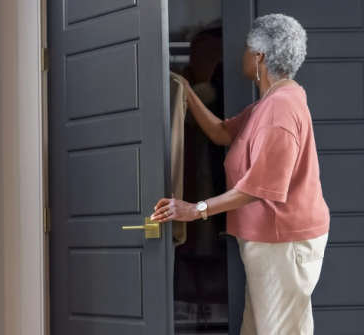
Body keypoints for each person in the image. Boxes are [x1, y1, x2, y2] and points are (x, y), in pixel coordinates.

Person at [151, 14, 330, 335]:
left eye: (247, 48)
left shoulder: (280, 108)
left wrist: (196, 210)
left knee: (277, 330)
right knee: (263, 328)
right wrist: (186, 89)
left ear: (259, 56)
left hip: (282, 242)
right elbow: (222, 132)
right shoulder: (272, 102)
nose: (242, 54)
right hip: (275, 241)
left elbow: (259, 188)